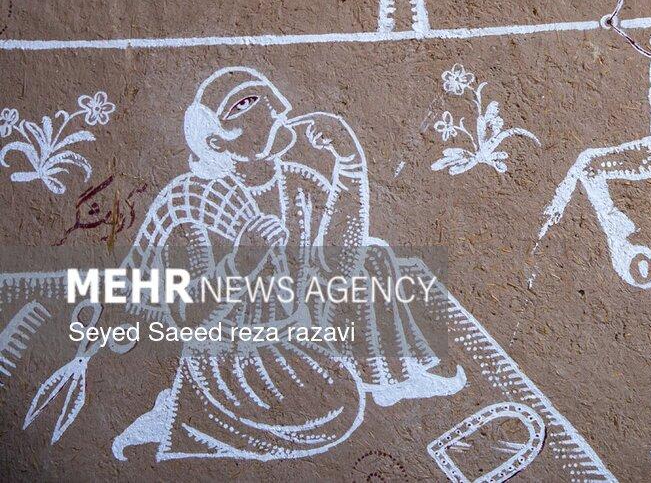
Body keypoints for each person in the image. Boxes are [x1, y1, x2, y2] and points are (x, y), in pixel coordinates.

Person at [32, 67, 465, 461]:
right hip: (233, 351)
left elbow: (340, 261)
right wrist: (241, 260)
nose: (278, 107)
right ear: (217, 142)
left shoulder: (297, 182)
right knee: (338, 407)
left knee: (372, 257)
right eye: (246, 104)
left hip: (295, 324)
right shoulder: (190, 203)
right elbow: (189, 317)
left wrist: (349, 163)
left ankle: (392, 380)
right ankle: (189, 416)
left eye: (267, 97)